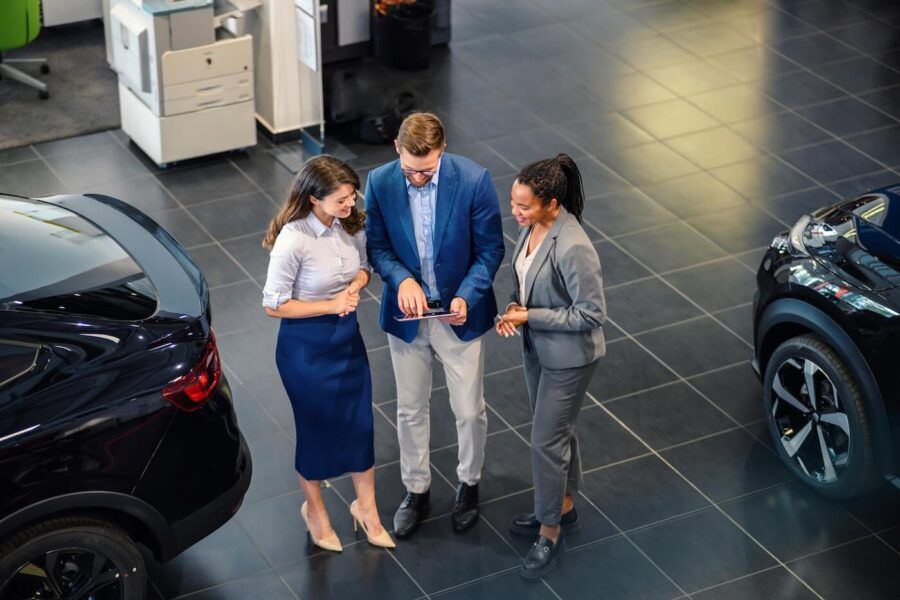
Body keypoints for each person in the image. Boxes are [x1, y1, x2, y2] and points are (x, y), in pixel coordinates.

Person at [365, 112, 505, 538]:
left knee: (468, 410)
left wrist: (466, 295)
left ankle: (469, 484)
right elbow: (377, 246)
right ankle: (416, 489)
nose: (418, 179)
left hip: (458, 314)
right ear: (397, 150)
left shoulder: (474, 180)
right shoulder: (380, 181)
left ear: (442, 151)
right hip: (407, 319)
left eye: (427, 171)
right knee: (409, 409)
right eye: (411, 170)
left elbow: (489, 250)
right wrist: (402, 278)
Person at [262, 155, 394, 552]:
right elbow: (273, 304)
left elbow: (366, 266)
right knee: (317, 430)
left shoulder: (349, 225)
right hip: (306, 350)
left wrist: (355, 285)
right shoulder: (293, 239)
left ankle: (366, 509)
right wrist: (331, 305)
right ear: (314, 199)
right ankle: (315, 511)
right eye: (341, 200)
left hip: (346, 341)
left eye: (351, 197)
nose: (350, 206)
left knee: (360, 425)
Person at [495, 154, 606, 580]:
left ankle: (550, 529)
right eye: (513, 202)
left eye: (523, 206)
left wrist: (530, 318)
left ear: (552, 204)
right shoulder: (531, 230)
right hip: (538, 349)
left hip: (570, 359)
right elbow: (522, 281)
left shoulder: (574, 246)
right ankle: (563, 504)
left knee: (545, 441)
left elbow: (591, 315)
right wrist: (512, 307)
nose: (515, 212)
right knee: (558, 434)